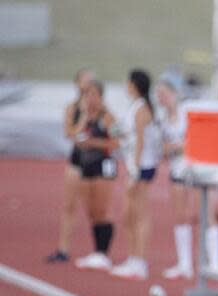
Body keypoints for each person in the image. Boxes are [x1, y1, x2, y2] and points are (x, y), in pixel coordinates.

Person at [155, 74, 218, 279]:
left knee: (207, 213)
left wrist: (182, 146)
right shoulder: (163, 120)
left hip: (199, 170)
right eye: (159, 95)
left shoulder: (189, 113)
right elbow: (163, 149)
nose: (161, 98)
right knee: (180, 215)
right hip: (178, 170)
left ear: (174, 94)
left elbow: (202, 138)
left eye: (165, 94)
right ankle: (184, 264)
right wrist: (172, 148)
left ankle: (216, 264)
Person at [111, 69, 162, 280]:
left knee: (139, 214)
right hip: (134, 164)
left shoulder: (142, 109)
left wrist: (135, 171)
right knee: (129, 215)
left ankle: (140, 261)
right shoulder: (134, 107)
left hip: (142, 166)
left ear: (134, 84)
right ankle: (133, 258)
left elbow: (141, 141)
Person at [46, 68, 96, 263]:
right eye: (85, 80)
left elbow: (110, 130)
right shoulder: (72, 109)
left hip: (95, 162)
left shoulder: (100, 108)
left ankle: (98, 250)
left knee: (94, 208)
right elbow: (70, 134)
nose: (88, 84)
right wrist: (84, 116)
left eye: (91, 80)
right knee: (69, 206)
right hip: (76, 161)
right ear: (77, 84)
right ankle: (63, 248)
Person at [72, 80, 120, 270]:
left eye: (93, 95)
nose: (90, 99)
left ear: (100, 96)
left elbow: (116, 142)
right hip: (86, 165)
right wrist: (84, 116)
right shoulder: (84, 117)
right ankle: (96, 251)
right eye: (87, 95)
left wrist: (93, 143)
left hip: (104, 165)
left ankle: (103, 252)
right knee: (91, 210)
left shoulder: (108, 117)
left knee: (102, 209)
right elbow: (75, 137)